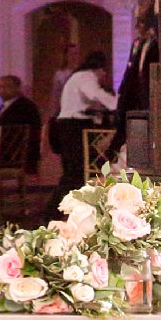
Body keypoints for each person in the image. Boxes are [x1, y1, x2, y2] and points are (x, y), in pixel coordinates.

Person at [50, 50, 116, 206]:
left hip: (69, 125)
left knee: (74, 173)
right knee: (75, 173)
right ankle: (54, 213)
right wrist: (115, 103)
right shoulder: (86, 76)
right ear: (100, 69)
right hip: (74, 127)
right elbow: (94, 94)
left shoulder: (77, 77)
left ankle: (62, 211)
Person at [109, 0, 159, 158]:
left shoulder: (159, 45)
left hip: (153, 112)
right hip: (138, 114)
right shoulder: (138, 45)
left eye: (141, 20)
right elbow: (130, 82)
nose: (137, 26)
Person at [0, 75, 42, 172]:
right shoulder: (8, 105)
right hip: (4, 151)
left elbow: (9, 128)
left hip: (13, 155)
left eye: (6, 87)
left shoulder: (25, 106)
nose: (1, 90)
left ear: (17, 88)